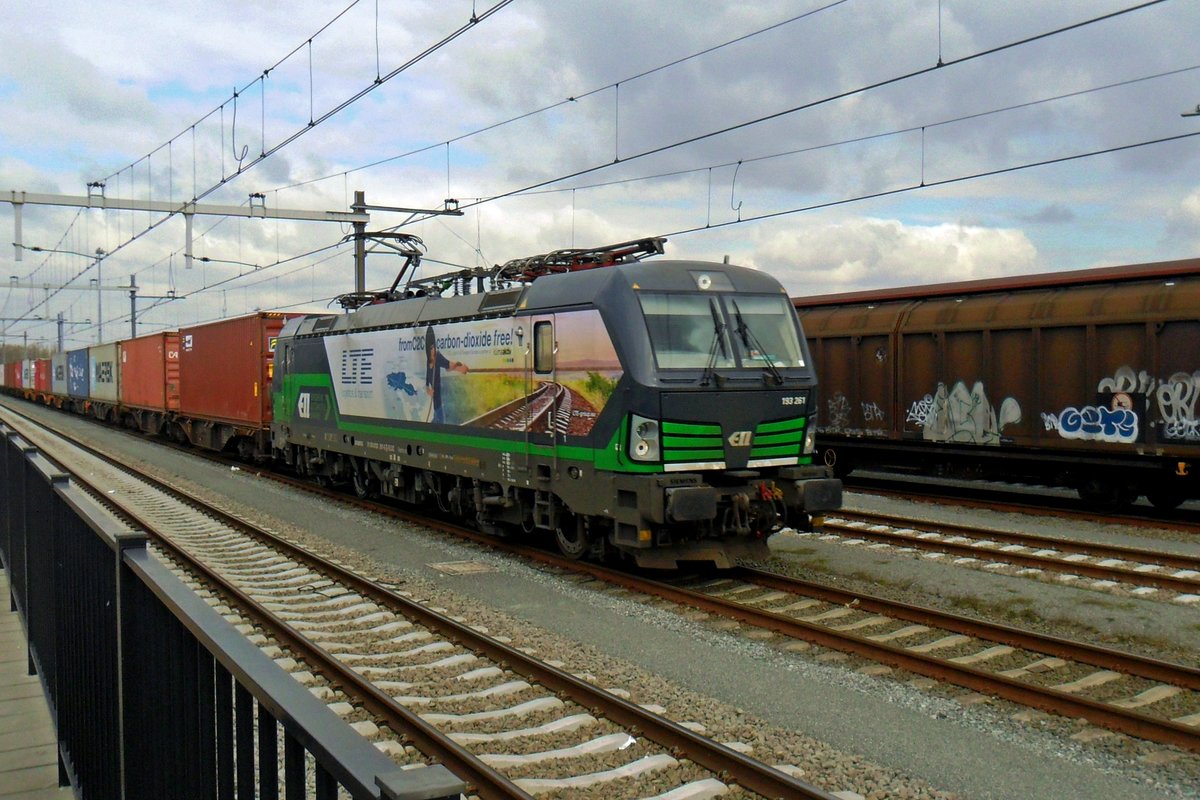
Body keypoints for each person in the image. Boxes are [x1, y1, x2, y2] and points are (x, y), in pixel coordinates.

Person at [425, 326, 468, 423]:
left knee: (439, 422)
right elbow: (427, 380)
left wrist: (460, 368)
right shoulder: (429, 361)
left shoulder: (437, 357)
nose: (432, 350)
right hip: (434, 405)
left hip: (438, 403)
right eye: (430, 348)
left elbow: (448, 366)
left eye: (433, 347)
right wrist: (428, 390)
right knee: (439, 423)